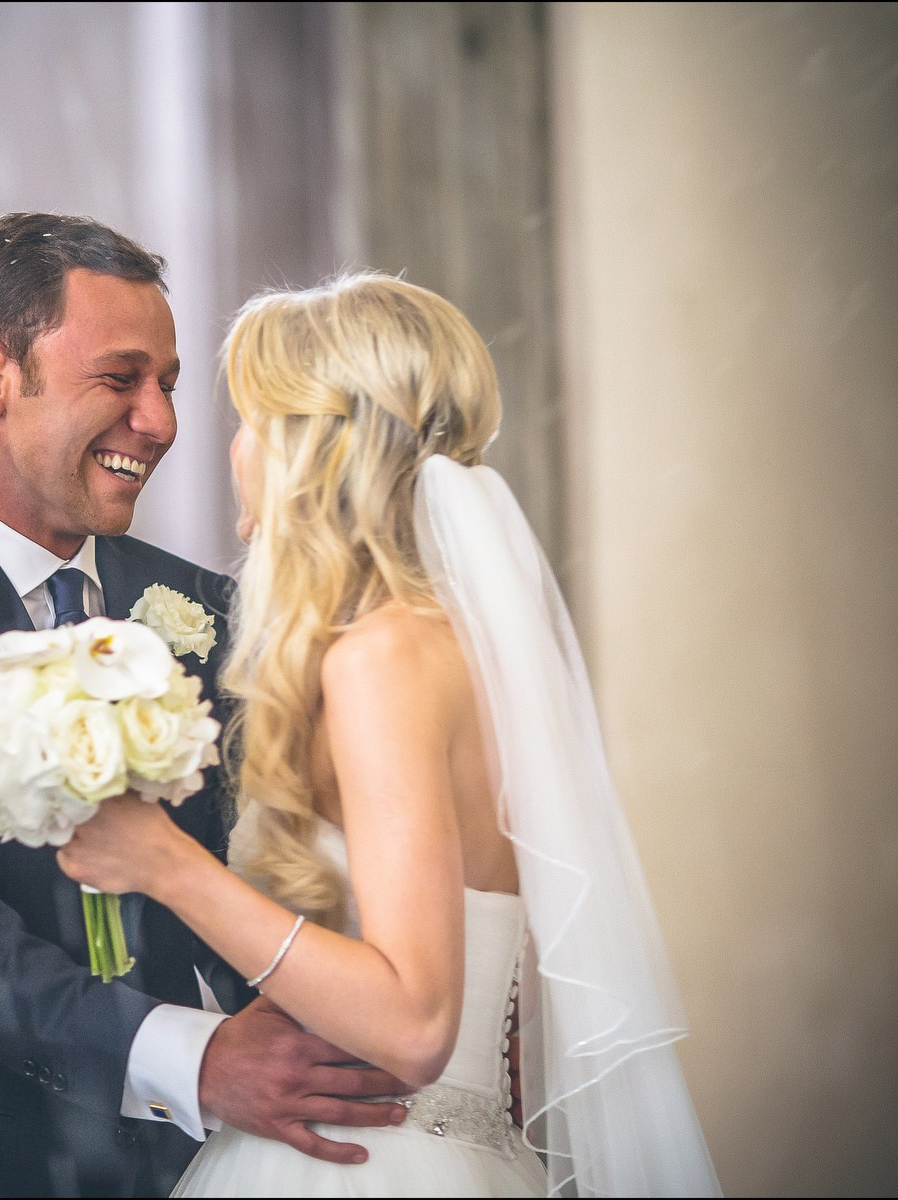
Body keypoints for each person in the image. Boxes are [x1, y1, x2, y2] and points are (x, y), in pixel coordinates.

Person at [0, 215, 409, 1198]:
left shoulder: (209, 610)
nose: (158, 421)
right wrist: (199, 1061)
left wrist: (345, 1034)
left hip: (177, 1168)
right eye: (121, 380)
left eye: (166, 384)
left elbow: (261, 875)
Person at [57, 274, 723, 1196]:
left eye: (253, 419)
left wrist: (167, 865)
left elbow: (415, 1021)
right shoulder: (458, 649)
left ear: (313, 446)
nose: (236, 449)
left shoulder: (383, 659)